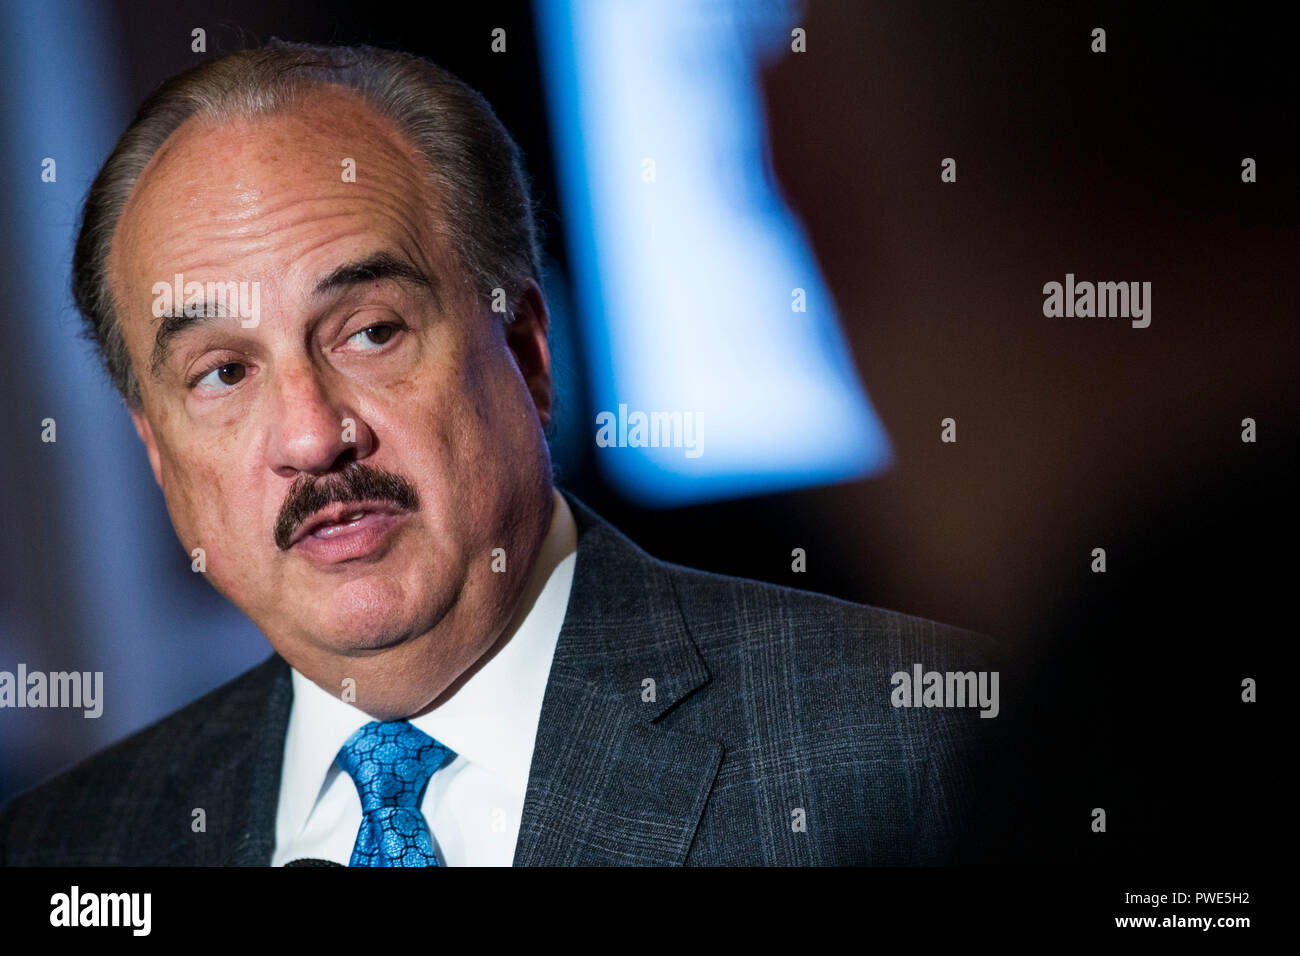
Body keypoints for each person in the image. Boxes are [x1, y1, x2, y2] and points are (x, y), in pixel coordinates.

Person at [0, 41, 1002, 866]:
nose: (311, 436)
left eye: (371, 332)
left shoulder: (930, 752)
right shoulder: (72, 849)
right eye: (222, 373)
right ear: (158, 454)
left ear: (525, 351)